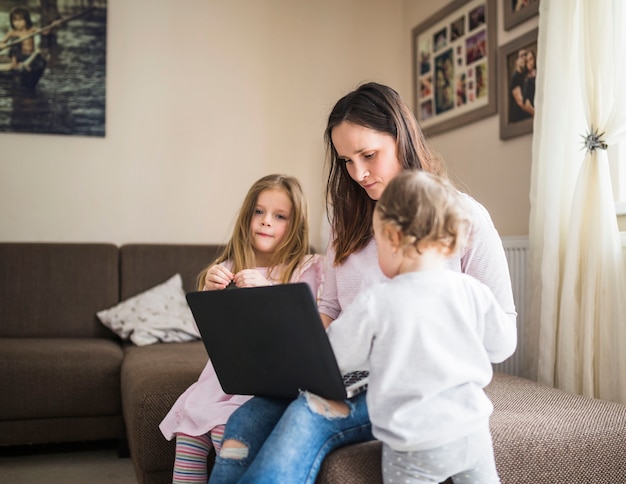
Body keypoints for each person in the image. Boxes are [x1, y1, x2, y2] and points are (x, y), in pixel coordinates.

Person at [208, 82, 516, 484]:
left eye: (369, 155)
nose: (358, 174)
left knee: (308, 414)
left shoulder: (465, 217)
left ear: (401, 138)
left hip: (407, 384)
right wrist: (292, 353)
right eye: (346, 161)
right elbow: (333, 311)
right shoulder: (342, 217)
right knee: (245, 421)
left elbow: (503, 329)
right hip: (342, 371)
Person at [326, 169, 517, 483]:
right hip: (472, 433)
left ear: (394, 238)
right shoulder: (471, 290)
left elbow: (336, 357)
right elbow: (501, 347)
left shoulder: (376, 302)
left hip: (415, 444)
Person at [159, 174, 324, 484]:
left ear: (296, 224)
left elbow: (305, 330)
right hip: (220, 381)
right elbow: (205, 331)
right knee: (189, 437)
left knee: (230, 440)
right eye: (258, 212)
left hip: (260, 387)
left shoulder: (308, 268)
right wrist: (209, 295)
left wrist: (268, 293)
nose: (266, 222)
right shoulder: (229, 266)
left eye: (279, 216)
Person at [508, 48, 533, 122]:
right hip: (519, 120)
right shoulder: (515, 77)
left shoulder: (527, 75)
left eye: (526, 55)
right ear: (516, 61)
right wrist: (535, 113)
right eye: (522, 56)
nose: (524, 58)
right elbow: (521, 101)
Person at [522, 49, 536, 116]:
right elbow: (525, 101)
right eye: (527, 61)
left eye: (531, 59)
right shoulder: (526, 80)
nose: (529, 63)